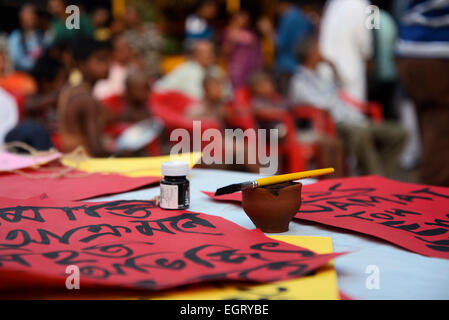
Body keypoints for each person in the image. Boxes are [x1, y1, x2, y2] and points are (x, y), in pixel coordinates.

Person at [290, 32, 407, 177]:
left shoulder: (321, 76)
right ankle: (375, 176)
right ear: (310, 54)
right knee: (361, 135)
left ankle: (382, 175)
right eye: (317, 48)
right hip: (334, 124)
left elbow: (340, 89)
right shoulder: (300, 81)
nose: (321, 52)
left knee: (400, 133)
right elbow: (321, 105)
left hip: (353, 120)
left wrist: (333, 68)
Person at [396, 0, 449, 186]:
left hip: (413, 48)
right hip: (438, 51)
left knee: (433, 140)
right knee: (440, 151)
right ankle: (432, 207)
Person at [57, 37, 111, 157]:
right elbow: (96, 150)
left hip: (73, 161)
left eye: (108, 59)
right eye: (100, 60)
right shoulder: (86, 99)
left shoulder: (70, 90)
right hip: (84, 164)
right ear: (82, 64)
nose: (107, 65)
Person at [320, 0, 373, 102]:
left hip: (328, 66)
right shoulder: (362, 4)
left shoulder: (332, 3)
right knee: (352, 111)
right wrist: (368, 56)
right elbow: (365, 40)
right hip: (350, 67)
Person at [155, 40, 230, 100]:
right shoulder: (184, 70)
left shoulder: (217, 71)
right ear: (195, 55)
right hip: (193, 115)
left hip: (214, 113)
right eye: (205, 52)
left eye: (211, 52)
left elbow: (228, 93)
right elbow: (160, 87)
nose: (210, 55)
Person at [275, 0, 313, 95]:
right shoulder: (304, 18)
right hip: (301, 66)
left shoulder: (288, 17)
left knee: (286, 97)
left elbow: (280, 43)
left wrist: (268, 33)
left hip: (286, 64)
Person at [222, 11, 262, 88]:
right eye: (241, 18)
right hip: (237, 68)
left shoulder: (250, 32)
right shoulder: (228, 32)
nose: (243, 21)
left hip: (252, 68)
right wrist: (232, 39)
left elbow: (257, 49)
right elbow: (225, 51)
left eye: (245, 19)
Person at [123, 4, 164, 78]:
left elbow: (160, 45)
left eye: (130, 13)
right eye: (126, 14)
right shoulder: (127, 35)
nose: (128, 17)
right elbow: (130, 54)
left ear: (138, 14)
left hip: (156, 71)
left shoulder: (152, 28)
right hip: (140, 75)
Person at [8, 4, 44, 72]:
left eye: (33, 15)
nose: (32, 17)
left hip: (40, 75)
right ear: (21, 18)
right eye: (28, 15)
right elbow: (15, 59)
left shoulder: (40, 35)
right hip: (22, 75)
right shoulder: (16, 36)